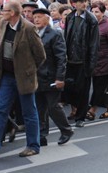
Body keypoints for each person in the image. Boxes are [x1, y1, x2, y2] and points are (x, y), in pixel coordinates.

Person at [0, 0, 46, 158]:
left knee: (29, 112)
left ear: (13, 13)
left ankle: (33, 145)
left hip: (23, 77)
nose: (2, 12)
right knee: (1, 110)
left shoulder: (28, 28)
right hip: (6, 76)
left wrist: (29, 71)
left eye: (5, 10)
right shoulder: (5, 25)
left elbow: (40, 55)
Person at [33, 8, 74, 146]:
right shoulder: (33, 34)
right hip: (37, 77)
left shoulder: (54, 34)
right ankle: (42, 135)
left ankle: (66, 130)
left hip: (51, 77)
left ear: (47, 18)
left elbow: (61, 58)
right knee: (40, 108)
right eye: (35, 17)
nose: (36, 19)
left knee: (53, 107)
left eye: (39, 17)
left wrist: (60, 78)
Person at [63, 0, 99, 128]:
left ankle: (81, 117)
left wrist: (91, 64)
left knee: (83, 90)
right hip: (70, 60)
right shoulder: (70, 17)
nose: (84, 4)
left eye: (86, 1)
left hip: (84, 60)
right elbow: (67, 36)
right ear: (74, 4)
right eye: (81, 2)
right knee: (70, 88)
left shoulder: (91, 20)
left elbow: (94, 44)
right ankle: (75, 110)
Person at [87, 1, 108, 120]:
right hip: (93, 61)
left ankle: (92, 110)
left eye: (97, 12)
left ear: (103, 12)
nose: (94, 14)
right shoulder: (90, 24)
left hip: (105, 61)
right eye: (93, 11)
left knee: (99, 87)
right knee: (102, 87)